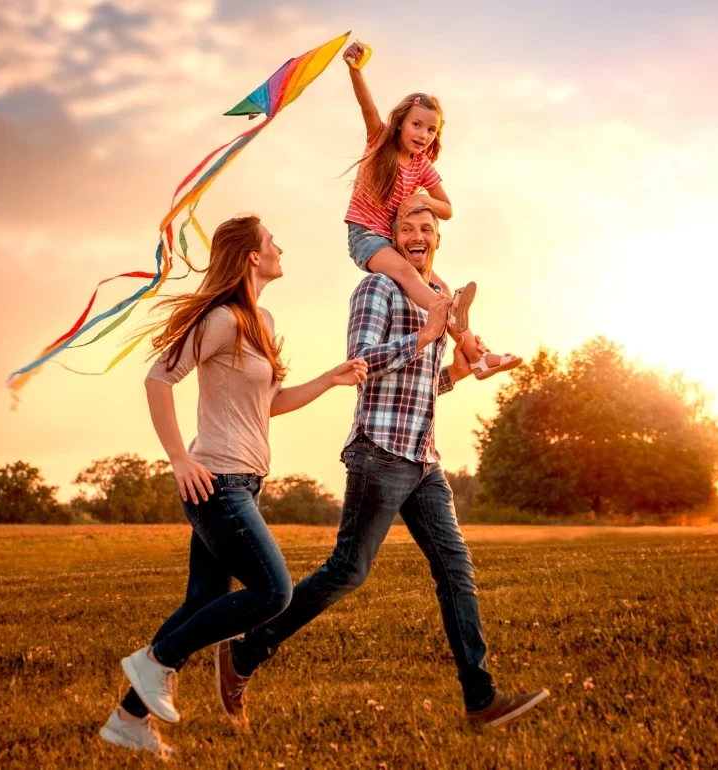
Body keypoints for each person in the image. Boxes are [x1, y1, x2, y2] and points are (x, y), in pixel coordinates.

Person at [219, 204, 550, 728]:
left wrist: (457, 373)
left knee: (456, 570)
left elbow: (420, 387)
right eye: (406, 229)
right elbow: (361, 363)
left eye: (427, 229)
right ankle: (245, 653)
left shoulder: (433, 299)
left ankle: (480, 700)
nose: (417, 236)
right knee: (348, 570)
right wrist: (424, 337)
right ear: (390, 241)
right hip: (379, 452)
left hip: (424, 457)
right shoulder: (376, 290)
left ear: (436, 241)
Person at [99, 215, 368, 757]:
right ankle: (156, 661)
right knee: (274, 592)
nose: (279, 246)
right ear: (251, 255)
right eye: (272, 241)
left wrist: (328, 379)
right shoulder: (221, 318)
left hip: (244, 481)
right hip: (214, 481)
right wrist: (179, 458)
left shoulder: (260, 319)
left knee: (203, 598)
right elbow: (159, 377)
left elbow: (268, 405)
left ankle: (127, 720)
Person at [341, 40, 521, 382]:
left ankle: (478, 358)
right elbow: (367, 106)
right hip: (365, 236)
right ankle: (446, 311)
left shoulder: (422, 166)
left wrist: (424, 200)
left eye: (431, 130)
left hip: (392, 242)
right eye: (416, 125)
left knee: (442, 289)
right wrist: (355, 70)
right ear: (400, 124)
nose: (423, 134)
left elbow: (447, 208)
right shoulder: (379, 141)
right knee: (413, 279)